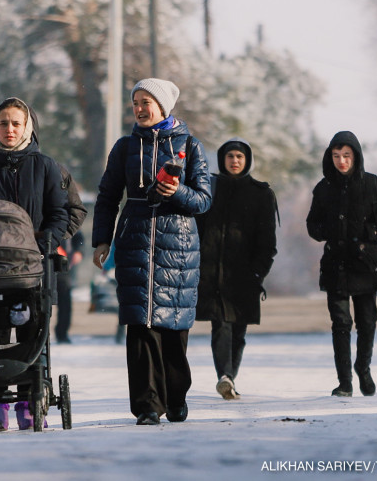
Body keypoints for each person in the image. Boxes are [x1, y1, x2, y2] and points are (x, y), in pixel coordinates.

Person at [92, 78, 212, 425]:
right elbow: (108, 196)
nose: (141, 109)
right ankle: (146, 405)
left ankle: (176, 399)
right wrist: (103, 239)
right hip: (136, 240)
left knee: (173, 327)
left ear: (163, 106)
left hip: (179, 247)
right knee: (140, 326)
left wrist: (176, 192)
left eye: (147, 102)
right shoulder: (124, 147)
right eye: (136, 103)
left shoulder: (190, 146)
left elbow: (203, 200)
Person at [0, 97, 69, 431]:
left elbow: (59, 212)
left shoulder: (45, 166)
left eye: (16, 123)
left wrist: (47, 239)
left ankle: (28, 400)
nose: (9, 129)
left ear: (27, 127)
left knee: (33, 332)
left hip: (33, 264)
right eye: (3, 123)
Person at [306, 131, 377, 397]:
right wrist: (329, 230)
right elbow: (312, 225)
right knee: (340, 323)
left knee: (367, 321)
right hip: (335, 264)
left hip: (365, 264)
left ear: (356, 156)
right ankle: (345, 382)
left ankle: (363, 367)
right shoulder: (323, 189)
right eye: (336, 156)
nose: (341, 161)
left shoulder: (375, 186)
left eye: (346, 156)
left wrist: (369, 233)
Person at [195, 138, 278, 400]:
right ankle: (225, 376)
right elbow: (197, 229)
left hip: (244, 275)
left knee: (239, 330)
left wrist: (258, 272)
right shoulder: (210, 189)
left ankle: (229, 376)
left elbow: (267, 241)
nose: (234, 161)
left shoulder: (260, 193)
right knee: (220, 326)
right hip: (212, 273)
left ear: (247, 161)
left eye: (239, 157)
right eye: (230, 156)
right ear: (222, 160)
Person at [55, 164, 87, 344]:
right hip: (40, 259)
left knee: (65, 299)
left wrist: (78, 251)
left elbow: (78, 235)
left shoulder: (68, 206)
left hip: (62, 263)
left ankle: (62, 333)